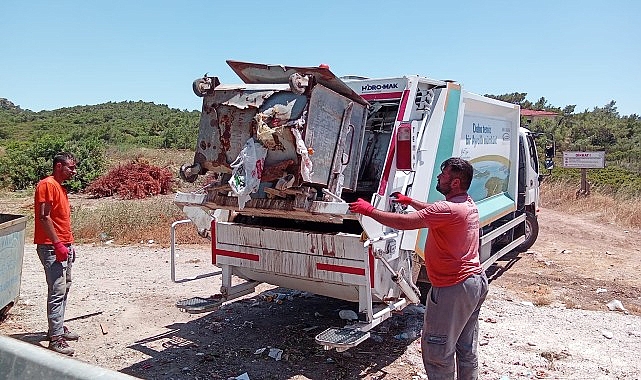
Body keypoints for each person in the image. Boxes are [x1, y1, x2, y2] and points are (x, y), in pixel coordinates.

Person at [349, 157, 488, 380]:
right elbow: (434, 211)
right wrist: (410, 201)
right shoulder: (466, 204)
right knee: (465, 347)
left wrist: (369, 210)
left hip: (454, 288)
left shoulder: (449, 209)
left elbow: (405, 223)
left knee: (437, 350)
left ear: (455, 183)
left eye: (443, 175)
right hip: (475, 283)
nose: (438, 178)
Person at [34, 152, 80, 356]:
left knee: (63, 288)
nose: (74, 171)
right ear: (59, 166)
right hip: (52, 247)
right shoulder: (47, 185)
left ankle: (57, 327)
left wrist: (69, 244)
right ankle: (55, 338)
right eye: (71, 167)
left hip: (62, 245)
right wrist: (58, 244)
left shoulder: (60, 187)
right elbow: (44, 217)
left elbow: (60, 219)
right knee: (57, 290)